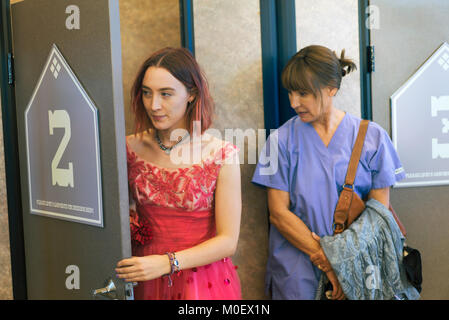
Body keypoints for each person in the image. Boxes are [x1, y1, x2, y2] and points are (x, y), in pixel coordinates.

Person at [252, 45, 406, 300]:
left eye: (303, 93)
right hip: (297, 270)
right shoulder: (279, 141)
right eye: (290, 92)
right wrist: (327, 261)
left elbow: (378, 216)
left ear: (331, 87)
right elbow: (278, 214)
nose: (293, 102)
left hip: (358, 268)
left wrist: (343, 263)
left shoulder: (372, 137)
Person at [116, 47, 242, 300]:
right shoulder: (127, 147)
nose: (154, 105)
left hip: (202, 280)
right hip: (142, 273)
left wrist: (166, 263)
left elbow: (228, 240)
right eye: (147, 93)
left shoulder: (221, 154)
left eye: (166, 94)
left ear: (191, 94)